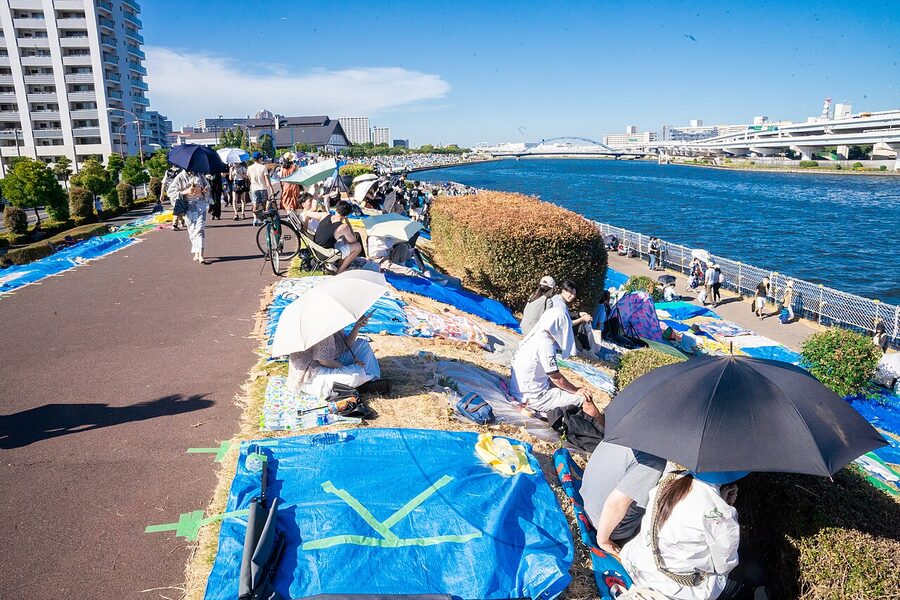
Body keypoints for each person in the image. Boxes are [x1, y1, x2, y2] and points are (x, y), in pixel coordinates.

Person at [620, 470, 767, 600]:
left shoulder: (670, 479)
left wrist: (719, 500)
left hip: (639, 565)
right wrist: (723, 507)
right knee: (754, 573)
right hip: (674, 589)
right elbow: (725, 566)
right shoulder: (722, 513)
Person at [509, 306, 601, 419]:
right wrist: (576, 390)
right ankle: (602, 432)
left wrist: (567, 389)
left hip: (518, 391)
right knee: (586, 400)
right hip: (534, 398)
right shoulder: (545, 343)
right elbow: (555, 377)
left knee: (564, 389)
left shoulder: (534, 336)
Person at [582, 442, 666, 555]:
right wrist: (604, 541)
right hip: (607, 526)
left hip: (586, 501)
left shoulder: (622, 432)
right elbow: (615, 504)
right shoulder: (654, 460)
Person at [286, 314, 382, 398]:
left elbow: (345, 344)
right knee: (356, 373)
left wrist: (357, 326)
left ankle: (370, 381)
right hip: (312, 375)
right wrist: (347, 368)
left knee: (362, 345)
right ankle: (363, 380)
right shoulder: (321, 326)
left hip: (331, 359)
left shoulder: (333, 321)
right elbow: (324, 361)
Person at [167, 169, 211, 264]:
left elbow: (208, 186)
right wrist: (185, 192)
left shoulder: (200, 174)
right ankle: (196, 251)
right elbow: (171, 192)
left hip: (200, 204)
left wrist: (205, 189)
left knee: (200, 229)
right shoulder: (180, 176)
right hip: (188, 206)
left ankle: (201, 255)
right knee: (191, 230)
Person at [313, 200, 362, 274]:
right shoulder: (343, 227)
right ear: (346, 215)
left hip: (316, 249)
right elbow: (353, 241)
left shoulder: (324, 215)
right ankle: (340, 270)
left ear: (336, 209)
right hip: (326, 254)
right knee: (357, 246)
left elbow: (307, 213)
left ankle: (339, 265)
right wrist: (348, 223)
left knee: (342, 240)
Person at [247, 152, 275, 226]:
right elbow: (267, 180)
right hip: (262, 188)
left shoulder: (249, 168)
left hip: (254, 188)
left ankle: (255, 219)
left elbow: (249, 178)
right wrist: (271, 189)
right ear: (259, 159)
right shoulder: (263, 167)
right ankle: (264, 219)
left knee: (255, 205)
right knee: (264, 205)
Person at [162, 165, 186, 230]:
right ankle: (181, 219)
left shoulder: (181, 171)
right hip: (173, 193)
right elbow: (164, 183)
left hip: (178, 193)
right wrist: (162, 194)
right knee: (177, 207)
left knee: (176, 207)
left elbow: (163, 183)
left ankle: (174, 224)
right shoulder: (169, 172)